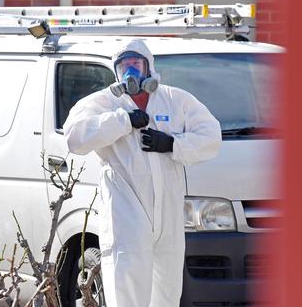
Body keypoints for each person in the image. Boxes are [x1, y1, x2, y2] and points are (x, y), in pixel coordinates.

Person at [63, 39, 221, 307]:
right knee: (127, 288)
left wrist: (173, 144)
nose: (131, 72)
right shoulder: (104, 103)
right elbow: (74, 137)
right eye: (124, 66)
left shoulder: (175, 100)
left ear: (149, 67)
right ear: (115, 71)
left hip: (168, 214)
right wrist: (122, 121)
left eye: (136, 64)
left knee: (167, 292)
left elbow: (211, 136)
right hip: (126, 214)